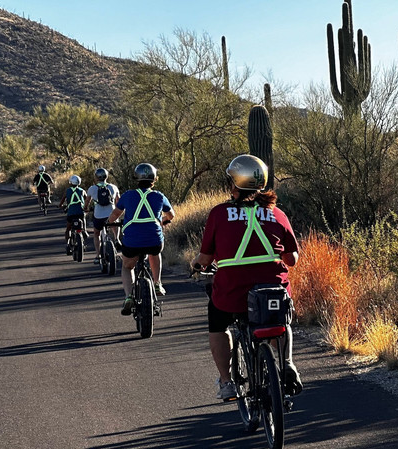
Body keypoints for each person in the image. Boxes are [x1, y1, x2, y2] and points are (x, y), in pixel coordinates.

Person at [190, 154, 303, 402]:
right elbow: (292, 259)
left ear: (234, 184)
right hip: (272, 288)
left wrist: (196, 264)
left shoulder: (219, 214)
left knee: (218, 323)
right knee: (279, 318)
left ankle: (227, 382)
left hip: (232, 293)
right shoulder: (278, 214)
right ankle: (287, 363)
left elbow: (206, 259)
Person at [107, 163, 174, 315]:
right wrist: (163, 220)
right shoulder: (159, 196)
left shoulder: (128, 196)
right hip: (154, 241)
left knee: (127, 266)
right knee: (155, 253)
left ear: (136, 179)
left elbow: (114, 215)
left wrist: (110, 223)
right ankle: (157, 283)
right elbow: (171, 215)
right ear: (154, 179)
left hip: (132, 242)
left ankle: (128, 296)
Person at [85, 167, 120, 270]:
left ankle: (97, 255)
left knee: (96, 233)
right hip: (111, 214)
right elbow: (119, 202)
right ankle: (117, 239)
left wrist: (86, 208)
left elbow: (87, 201)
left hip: (98, 215)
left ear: (96, 177)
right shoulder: (113, 187)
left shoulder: (92, 188)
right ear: (106, 176)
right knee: (114, 223)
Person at [60, 174, 87, 254]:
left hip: (71, 213)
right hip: (80, 213)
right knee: (83, 219)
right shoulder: (82, 191)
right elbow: (87, 200)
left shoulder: (67, 191)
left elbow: (62, 200)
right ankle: (84, 230)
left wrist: (60, 205)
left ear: (71, 182)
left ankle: (68, 244)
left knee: (68, 228)